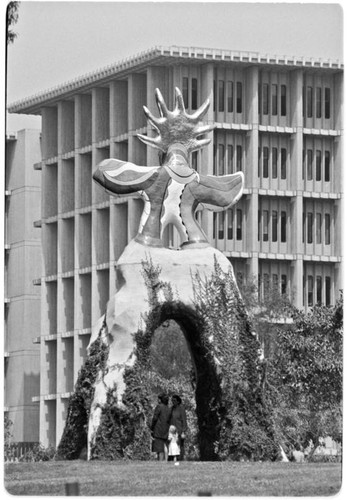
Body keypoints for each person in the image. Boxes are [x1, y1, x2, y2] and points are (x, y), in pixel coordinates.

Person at [150, 393, 170, 461]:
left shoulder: (159, 407)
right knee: (165, 448)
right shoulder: (168, 408)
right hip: (166, 430)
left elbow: (155, 418)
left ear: (160, 400)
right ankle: (164, 461)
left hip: (158, 430)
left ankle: (160, 464)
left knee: (159, 449)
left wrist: (152, 428)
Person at [169, 394, 187, 460]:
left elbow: (184, 421)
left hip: (179, 431)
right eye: (172, 400)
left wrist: (183, 431)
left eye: (174, 400)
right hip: (172, 431)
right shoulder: (171, 409)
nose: (173, 402)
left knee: (179, 447)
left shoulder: (181, 409)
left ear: (178, 401)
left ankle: (180, 461)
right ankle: (172, 461)